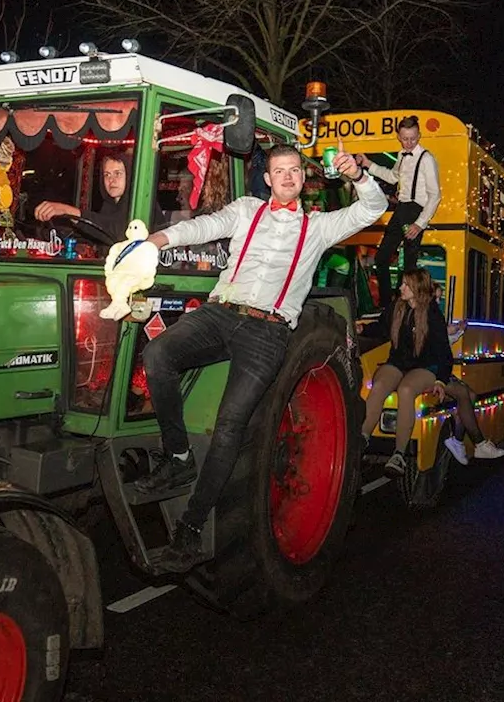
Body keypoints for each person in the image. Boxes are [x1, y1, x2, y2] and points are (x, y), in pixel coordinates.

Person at [131, 144, 387, 573]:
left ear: (304, 180)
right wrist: (156, 240)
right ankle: (177, 458)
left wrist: (358, 176)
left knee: (231, 424)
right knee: (158, 354)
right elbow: (204, 226)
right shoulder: (247, 209)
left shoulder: (319, 227)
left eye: (294, 171)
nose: (287, 177)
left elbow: (372, 209)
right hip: (220, 313)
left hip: (267, 331)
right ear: (267, 179)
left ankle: (190, 531)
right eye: (278, 171)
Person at [359, 268, 453, 477]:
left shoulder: (432, 314)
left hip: (425, 367)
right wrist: (362, 330)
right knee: (380, 384)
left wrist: (441, 381)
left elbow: (444, 352)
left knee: (406, 389)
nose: (401, 288)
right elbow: (382, 328)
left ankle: (399, 455)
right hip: (398, 363)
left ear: (417, 288)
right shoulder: (396, 307)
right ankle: (362, 437)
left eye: (406, 285)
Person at [355, 115, 441, 308]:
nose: (409, 142)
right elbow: (393, 177)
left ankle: (406, 306)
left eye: (412, 138)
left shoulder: (427, 158)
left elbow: (435, 194)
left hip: (415, 210)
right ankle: (388, 304)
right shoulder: (402, 155)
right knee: (381, 258)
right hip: (401, 209)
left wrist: (420, 223)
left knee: (409, 265)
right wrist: (368, 165)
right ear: (398, 137)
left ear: (419, 136)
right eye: (405, 138)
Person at [436, 285, 504, 465]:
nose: (438, 301)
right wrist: (448, 331)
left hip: (440, 369)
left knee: (471, 395)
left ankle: (458, 440)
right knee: (463, 393)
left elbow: (443, 340)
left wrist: (458, 330)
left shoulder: (433, 316)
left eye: (439, 298)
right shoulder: (423, 315)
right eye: (435, 298)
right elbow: (426, 340)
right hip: (429, 370)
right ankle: (479, 442)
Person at [34, 153, 162, 239]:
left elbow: (118, 231)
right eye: (107, 175)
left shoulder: (142, 203)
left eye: (117, 174)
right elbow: (99, 236)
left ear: (130, 176)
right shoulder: (109, 205)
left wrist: (66, 210)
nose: (111, 180)